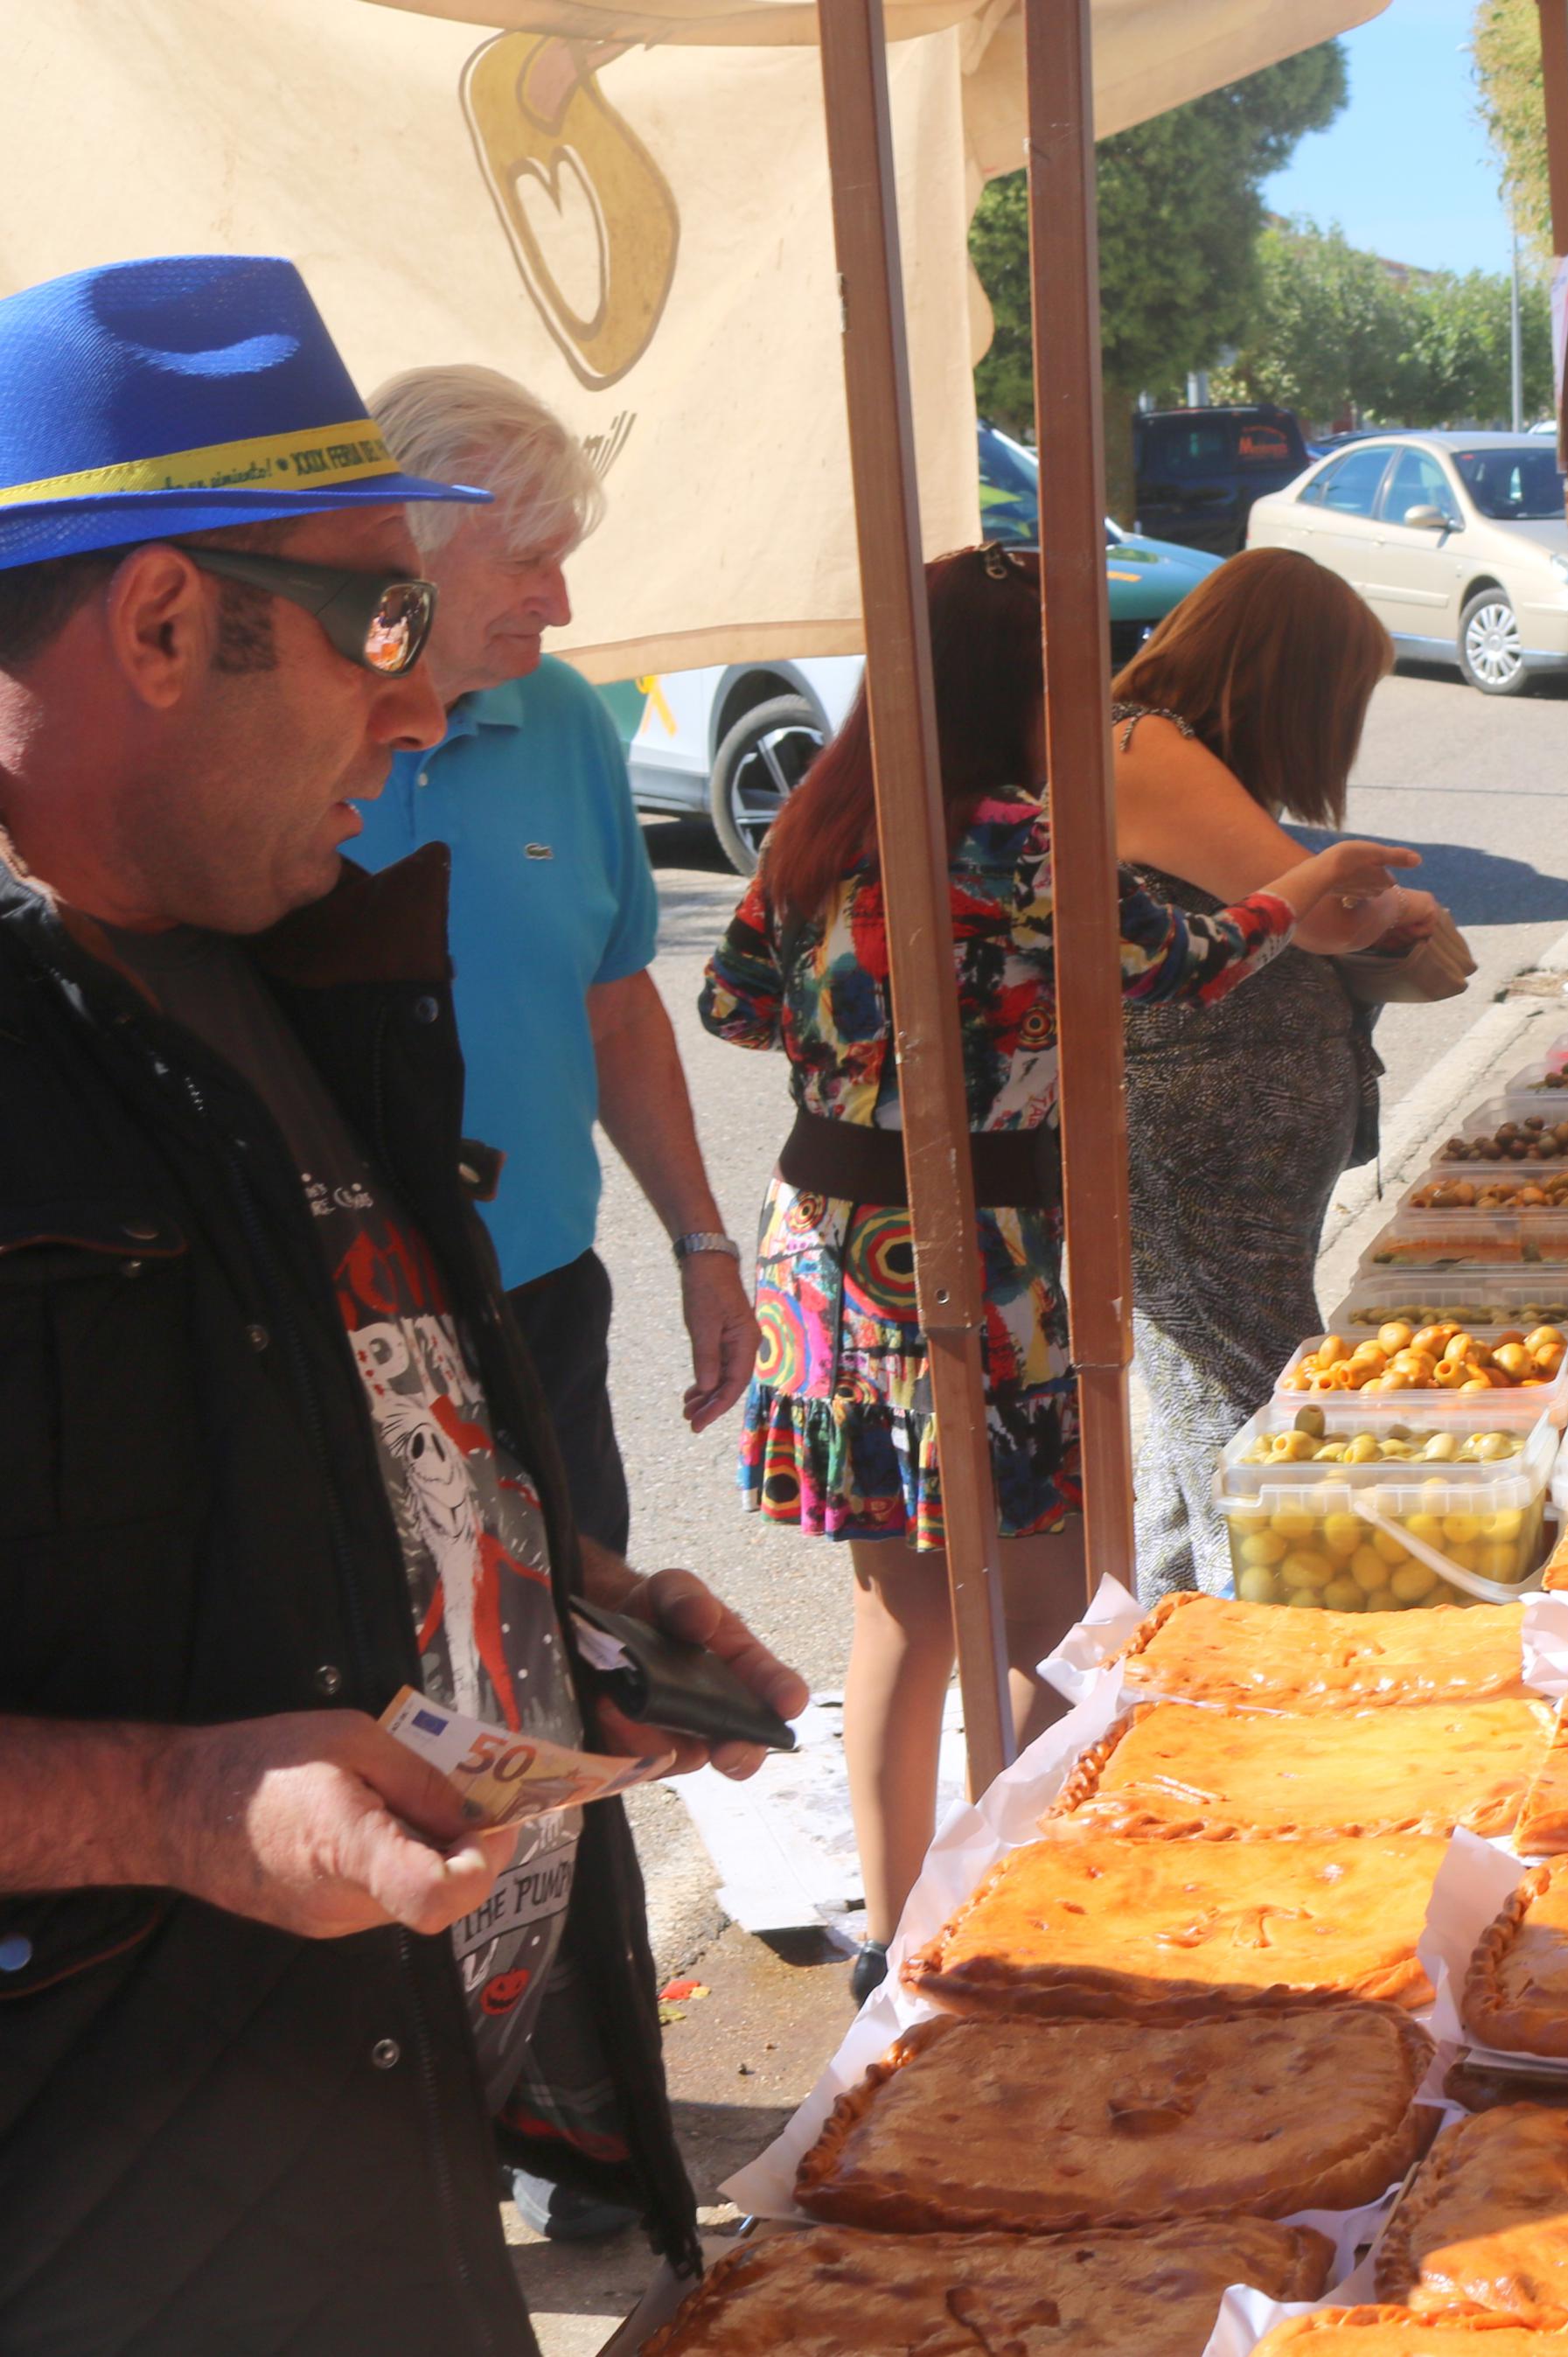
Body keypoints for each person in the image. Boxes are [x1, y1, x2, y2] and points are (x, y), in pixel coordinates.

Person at [0, 254, 805, 2344]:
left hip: (391, 2150)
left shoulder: (280, 949)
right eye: (380, 616)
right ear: (166, 620)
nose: (426, 694)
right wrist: (170, 1808)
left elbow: (306, 1435)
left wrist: (562, 1618)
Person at [701, 544, 1418, 1985]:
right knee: (1037, 1620)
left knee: (897, 1610)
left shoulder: (820, 825)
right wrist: (1313, 889)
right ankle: (1009, 1909)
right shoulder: (1026, 844)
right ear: (1013, 689)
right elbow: (1191, 961)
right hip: (979, 1257)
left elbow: (732, 1007)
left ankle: (901, 1927)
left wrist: (884, 1052)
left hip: (825, 1243)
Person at [343, 364, 752, 1582]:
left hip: (539, 1296)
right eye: (527, 562)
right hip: (328, 1316)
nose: (560, 602)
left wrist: (700, 1242)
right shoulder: (281, 722)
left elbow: (614, 999)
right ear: (404, 548)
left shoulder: (565, 716)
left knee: (577, 1651)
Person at [1105, 546, 1436, 1597]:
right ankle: (1256, 1665)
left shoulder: (1171, 748)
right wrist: (1395, 911)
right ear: (1284, 676)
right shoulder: (1146, 742)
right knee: (1258, 1433)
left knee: (1205, 1414)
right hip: (1191, 1154)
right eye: (1343, 696)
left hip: (1228, 1154)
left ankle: (1157, 1651)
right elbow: (1327, 912)